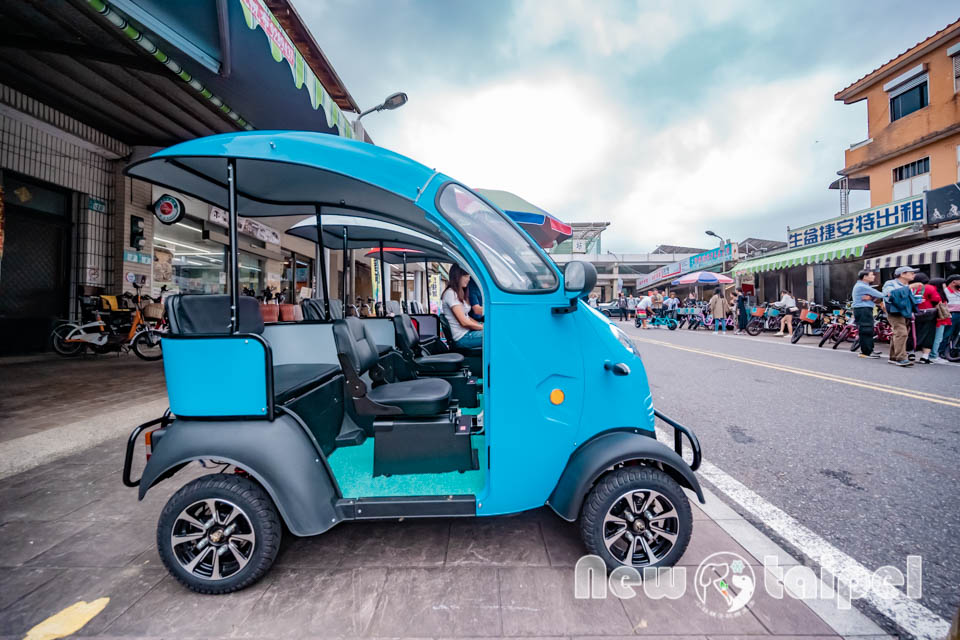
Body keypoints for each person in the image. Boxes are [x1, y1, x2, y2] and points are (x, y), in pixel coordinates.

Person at [882, 266, 918, 367]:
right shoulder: (890, 283)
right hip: (895, 312)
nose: (913, 275)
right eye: (911, 273)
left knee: (898, 334)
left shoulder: (907, 284)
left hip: (905, 312)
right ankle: (901, 358)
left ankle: (893, 357)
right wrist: (908, 288)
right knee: (902, 333)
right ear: (902, 274)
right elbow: (891, 295)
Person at [441, 264, 484, 349]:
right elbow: (464, 322)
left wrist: (480, 325)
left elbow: (467, 317)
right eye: (465, 276)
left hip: (467, 334)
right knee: (497, 334)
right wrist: (483, 327)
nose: (468, 279)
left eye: (468, 276)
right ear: (457, 276)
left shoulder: (460, 293)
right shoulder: (451, 293)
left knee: (494, 331)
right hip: (462, 338)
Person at [851, 269, 885, 358]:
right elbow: (881, 295)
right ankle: (866, 352)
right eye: (871, 275)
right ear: (865, 277)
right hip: (863, 309)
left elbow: (874, 296)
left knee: (868, 329)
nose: (874, 276)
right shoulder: (862, 286)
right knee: (866, 330)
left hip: (863, 309)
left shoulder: (862, 285)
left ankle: (869, 350)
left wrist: (871, 297)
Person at [911, 272, 940, 364]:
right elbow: (936, 300)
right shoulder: (930, 288)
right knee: (929, 334)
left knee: (912, 333)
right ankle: (925, 357)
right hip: (928, 314)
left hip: (912, 314)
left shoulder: (910, 288)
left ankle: (910, 353)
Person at [928, 278, 952, 363]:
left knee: (936, 337)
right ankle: (933, 355)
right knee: (938, 337)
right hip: (940, 318)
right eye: (944, 284)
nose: (945, 286)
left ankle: (932, 354)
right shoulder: (938, 294)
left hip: (935, 318)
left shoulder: (931, 292)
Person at [944, 275, 960, 355]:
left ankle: (955, 352)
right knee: (948, 333)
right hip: (951, 314)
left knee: (957, 334)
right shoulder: (945, 291)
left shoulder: (959, 291)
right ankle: (942, 352)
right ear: (953, 282)